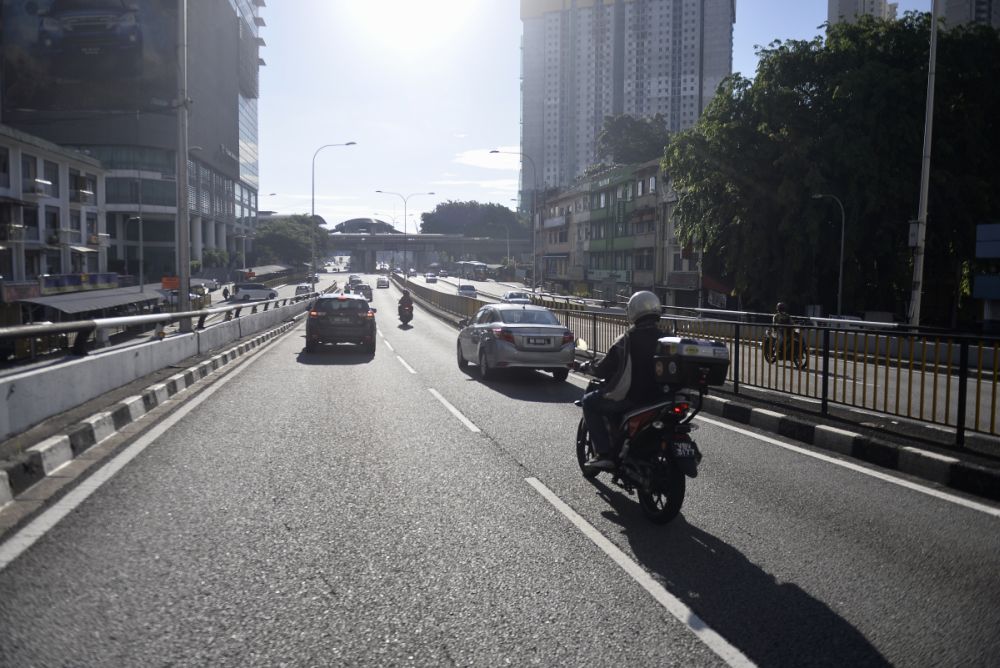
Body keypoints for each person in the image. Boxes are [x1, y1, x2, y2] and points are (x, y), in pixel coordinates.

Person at [580, 290, 664, 471]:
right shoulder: (666, 338)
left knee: (589, 402)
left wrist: (588, 367)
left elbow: (604, 367)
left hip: (633, 399)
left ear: (633, 311)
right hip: (660, 400)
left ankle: (603, 453)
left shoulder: (627, 339)